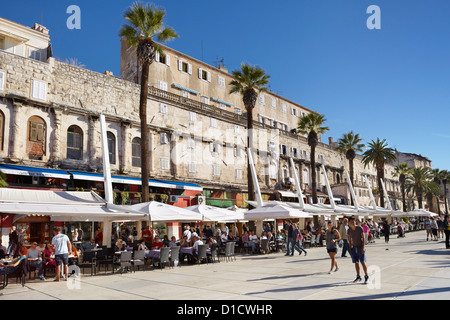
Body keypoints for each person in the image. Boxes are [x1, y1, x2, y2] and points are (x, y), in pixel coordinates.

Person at [348, 217, 369, 284]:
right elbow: (349, 239)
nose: (353, 222)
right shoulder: (349, 230)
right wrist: (350, 248)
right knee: (356, 262)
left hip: (360, 247)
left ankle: (366, 276)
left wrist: (363, 247)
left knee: (362, 262)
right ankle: (358, 276)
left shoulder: (359, 228)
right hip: (354, 248)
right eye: (351, 222)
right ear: (349, 223)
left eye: (354, 221)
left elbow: (363, 238)